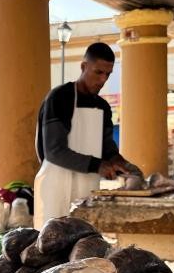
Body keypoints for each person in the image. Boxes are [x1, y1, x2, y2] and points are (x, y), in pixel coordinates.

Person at [34, 41, 137, 225]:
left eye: (108, 74)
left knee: (85, 244)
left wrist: (118, 161)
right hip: (57, 187)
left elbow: (107, 148)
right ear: (83, 66)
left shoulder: (103, 107)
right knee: (53, 242)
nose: (103, 79)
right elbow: (54, 151)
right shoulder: (59, 97)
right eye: (98, 72)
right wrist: (98, 166)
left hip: (87, 188)